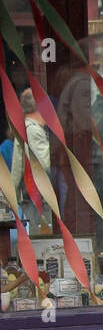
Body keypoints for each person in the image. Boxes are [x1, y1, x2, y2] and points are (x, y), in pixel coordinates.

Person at [11, 88, 52, 235]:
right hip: (37, 196)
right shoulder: (32, 130)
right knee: (42, 238)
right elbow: (46, 162)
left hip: (35, 195)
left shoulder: (29, 128)